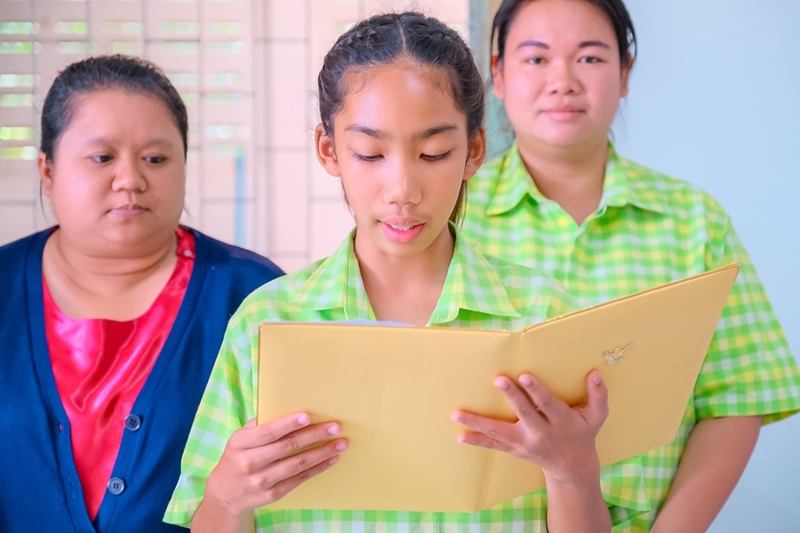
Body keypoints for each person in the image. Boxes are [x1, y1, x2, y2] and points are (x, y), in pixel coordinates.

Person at [165, 12, 615, 533]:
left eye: (433, 153)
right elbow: (210, 516)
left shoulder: (544, 316)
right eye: (370, 153)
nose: (402, 190)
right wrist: (227, 498)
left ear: (473, 150)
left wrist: (573, 472)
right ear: (329, 150)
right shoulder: (267, 322)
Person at [460, 0, 800, 531]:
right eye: (536, 59)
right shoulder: (450, 218)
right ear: (498, 74)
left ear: (625, 73)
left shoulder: (693, 221)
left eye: (590, 58)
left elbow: (738, 398)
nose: (562, 82)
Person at [0, 55, 284, 533]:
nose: (130, 179)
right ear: (47, 171)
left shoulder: (253, 295)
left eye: (155, 159)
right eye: (102, 158)